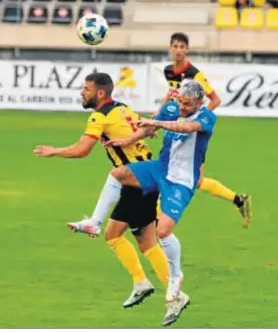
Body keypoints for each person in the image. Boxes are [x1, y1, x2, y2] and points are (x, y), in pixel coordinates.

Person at [33, 72, 174, 318]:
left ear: (100, 93)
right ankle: (144, 283)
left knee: (136, 237)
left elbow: (82, 150)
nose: (81, 92)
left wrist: (54, 151)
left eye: (86, 88)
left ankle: (171, 291)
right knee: (121, 237)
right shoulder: (123, 109)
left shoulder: (100, 116)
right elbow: (146, 130)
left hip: (137, 181)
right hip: (144, 178)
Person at [105, 80, 215, 326]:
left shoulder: (206, 118)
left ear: (199, 103)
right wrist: (128, 139)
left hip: (175, 181)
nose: (182, 106)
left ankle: (171, 280)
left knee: (158, 233)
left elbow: (187, 128)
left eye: (188, 104)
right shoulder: (171, 108)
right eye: (181, 102)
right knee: (124, 226)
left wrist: (156, 123)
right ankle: (146, 282)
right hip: (154, 173)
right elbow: (147, 128)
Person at [161, 32, 252, 228]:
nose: (178, 51)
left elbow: (216, 100)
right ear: (170, 48)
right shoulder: (169, 70)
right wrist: (159, 113)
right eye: (175, 47)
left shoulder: (195, 75)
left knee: (192, 178)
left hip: (193, 134)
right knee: (188, 177)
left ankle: (159, 217)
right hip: (180, 129)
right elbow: (171, 93)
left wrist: (197, 119)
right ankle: (238, 200)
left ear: (187, 50)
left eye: (182, 47)